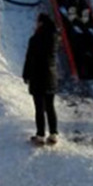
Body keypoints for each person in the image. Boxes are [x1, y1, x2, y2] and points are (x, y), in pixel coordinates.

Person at [22, 13, 60, 145]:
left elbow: (30, 59)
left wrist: (26, 75)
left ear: (41, 23)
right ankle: (54, 134)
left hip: (37, 76)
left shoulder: (35, 39)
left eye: (37, 22)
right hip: (51, 75)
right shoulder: (55, 38)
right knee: (50, 106)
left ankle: (40, 135)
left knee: (39, 107)